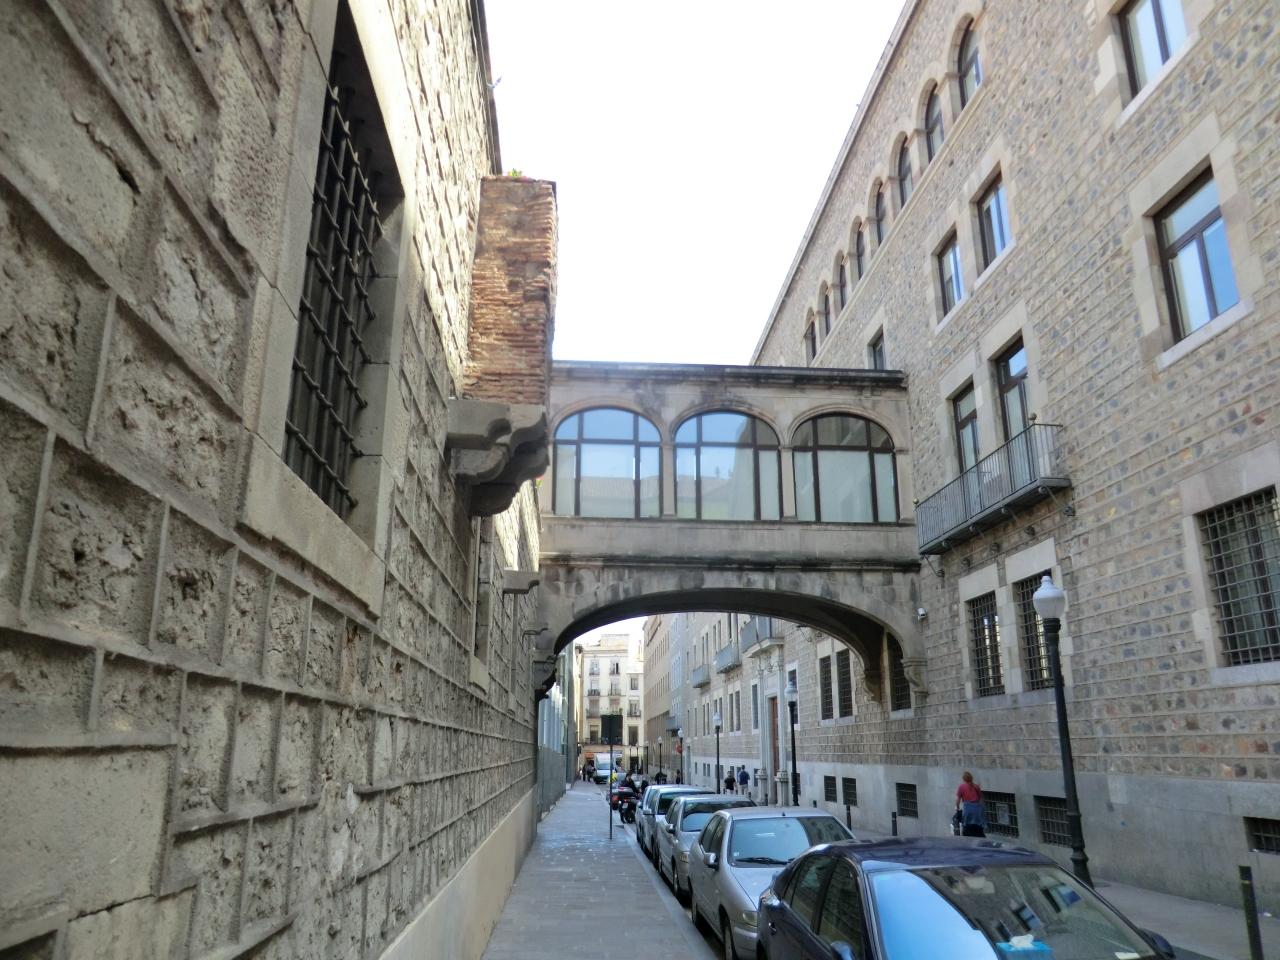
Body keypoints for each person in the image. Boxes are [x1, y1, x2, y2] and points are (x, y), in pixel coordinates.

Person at [955, 771, 987, 837]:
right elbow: (981, 798)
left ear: (963, 779)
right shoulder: (976, 786)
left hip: (968, 810)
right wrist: (982, 810)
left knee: (967, 827)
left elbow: (958, 800)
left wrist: (957, 808)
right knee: (978, 827)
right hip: (977, 810)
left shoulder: (961, 787)